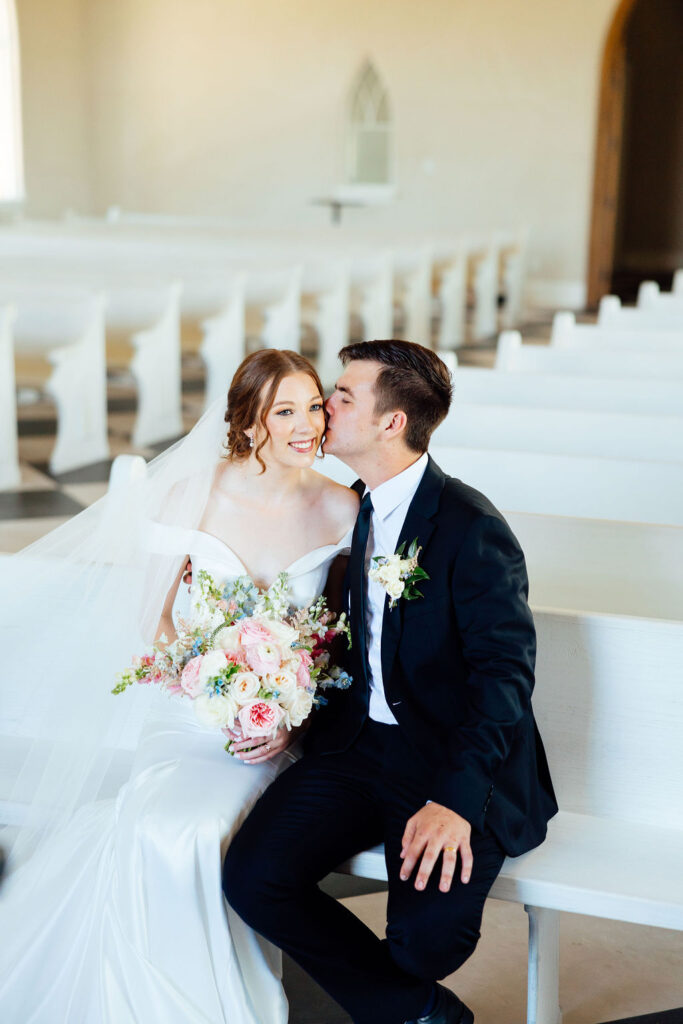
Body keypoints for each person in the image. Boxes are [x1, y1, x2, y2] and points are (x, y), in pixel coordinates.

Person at [0, 349, 358, 1023]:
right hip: (190, 712)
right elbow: (153, 618)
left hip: (277, 727)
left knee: (200, 827)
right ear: (248, 421)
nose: (306, 424)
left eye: (313, 406)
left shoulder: (342, 509)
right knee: (159, 820)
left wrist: (287, 714)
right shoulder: (190, 494)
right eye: (284, 410)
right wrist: (210, 687)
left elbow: (335, 636)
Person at [223, 340, 558, 1024]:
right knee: (253, 878)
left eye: (340, 397)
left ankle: (409, 991)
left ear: (389, 423)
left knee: (421, 945)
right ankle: (423, 1015)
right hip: (355, 748)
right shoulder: (352, 507)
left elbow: (503, 677)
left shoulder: (469, 528)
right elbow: (338, 641)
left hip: (449, 757)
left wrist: (457, 803)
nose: (322, 409)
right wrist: (287, 710)